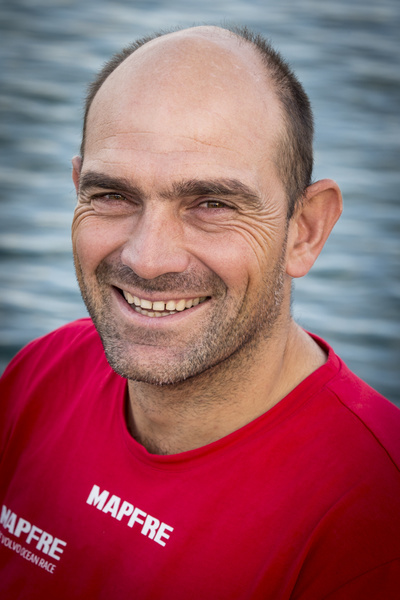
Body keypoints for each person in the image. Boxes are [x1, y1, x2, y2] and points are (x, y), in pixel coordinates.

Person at [0, 24, 399, 600]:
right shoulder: (44, 371)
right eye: (113, 195)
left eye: (212, 204)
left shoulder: (373, 509)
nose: (148, 258)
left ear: (305, 230)